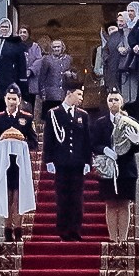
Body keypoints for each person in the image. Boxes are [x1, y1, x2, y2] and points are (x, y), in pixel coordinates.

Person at [42, 74, 107, 244]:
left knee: (77, 200)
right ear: (69, 93)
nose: (81, 98)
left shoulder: (83, 115)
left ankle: (75, 230)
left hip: (77, 163)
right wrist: (48, 160)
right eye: (79, 94)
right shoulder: (54, 114)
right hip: (61, 163)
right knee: (63, 198)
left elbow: (87, 140)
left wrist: (88, 161)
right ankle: (63, 230)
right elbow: (49, 138)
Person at [0, 85, 37, 239]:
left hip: (20, 165)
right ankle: (7, 229)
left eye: (14, 99)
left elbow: (33, 143)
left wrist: (20, 143)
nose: (11, 102)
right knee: (6, 197)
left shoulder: (26, 118)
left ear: (19, 100)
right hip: (4, 165)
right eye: (9, 98)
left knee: (18, 197)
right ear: (5, 99)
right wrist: (4, 141)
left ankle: (19, 229)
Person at [97, 81, 139, 244]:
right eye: (110, 100)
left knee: (124, 204)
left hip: (126, 168)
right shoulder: (100, 122)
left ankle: (123, 238)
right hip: (108, 168)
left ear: (122, 102)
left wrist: (136, 141)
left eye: (116, 100)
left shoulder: (130, 121)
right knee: (110, 204)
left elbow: (138, 147)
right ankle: (112, 238)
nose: (113, 103)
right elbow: (94, 143)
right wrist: (105, 150)